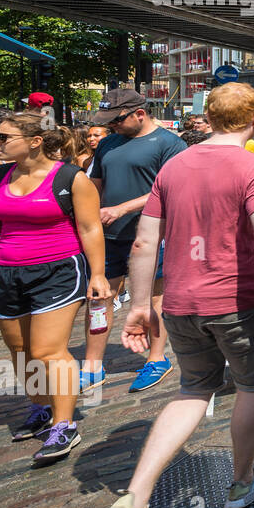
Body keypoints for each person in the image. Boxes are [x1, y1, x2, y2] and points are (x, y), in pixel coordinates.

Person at [91, 84, 254, 508]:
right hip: (234, 301)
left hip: (179, 302)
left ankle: (133, 500)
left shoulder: (175, 166)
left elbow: (143, 241)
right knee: (252, 385)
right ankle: (242, 482)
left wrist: (138, 305)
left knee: (193, 390)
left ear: (209, 117)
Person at [0, 115, 109, 464]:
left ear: (33, 141)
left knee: (47, 350)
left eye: (4, 137)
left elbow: (91, 228)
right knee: (19, 350)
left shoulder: (70, 178)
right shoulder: (1, 175)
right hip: (7, 272)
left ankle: (65, 424)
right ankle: (41, 407)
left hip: (58, 271)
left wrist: (99, 275)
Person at [84, 89, 187, 393]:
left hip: (154, 235)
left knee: (155, 298)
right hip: (109, 236)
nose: (111, 126)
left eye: (116, 120)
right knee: (99, 297)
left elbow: (167, 190)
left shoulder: (171, 145)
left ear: (139, 114)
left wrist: (122, 208)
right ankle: (92, 364)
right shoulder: (107, 143)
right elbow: (95, 186)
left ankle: (156, 359)